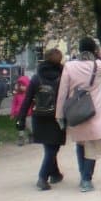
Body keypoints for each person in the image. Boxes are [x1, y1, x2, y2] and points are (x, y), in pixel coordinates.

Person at [55, 37, 101, 192]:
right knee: (93, 146)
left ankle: (83, 175)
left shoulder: (69, 66)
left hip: (76, 110)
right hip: (95, 111)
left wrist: (60, 114)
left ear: (80, 50)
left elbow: (63, 92)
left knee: (81, 144)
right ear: (93, 50)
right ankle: (86, 179)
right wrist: (99, 47)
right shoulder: (98, 66)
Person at [19, 48, 66, 191]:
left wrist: (21, 118)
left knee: (49, 146)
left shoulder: (36, 77)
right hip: (56, 116)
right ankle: (42, 177)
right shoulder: (63, 76)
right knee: (53, 148)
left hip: (39, 116)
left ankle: (55, 173)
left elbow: (27, 100)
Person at [10, 75, 31, 145]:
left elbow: (33, 104)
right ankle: (21, 138)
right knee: (19, 126)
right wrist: (12, 113)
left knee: (29, 127)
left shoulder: (30, 95)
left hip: (28, 114)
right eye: (20, 85)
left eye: (24, 85)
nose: (22, 87)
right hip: (18, 115)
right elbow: (14, 104)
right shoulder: (17, 95)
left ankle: (31, 135)